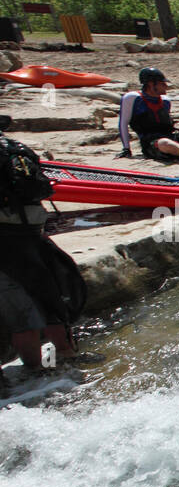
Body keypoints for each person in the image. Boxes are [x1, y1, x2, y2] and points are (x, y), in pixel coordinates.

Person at [0, 115, 89, 378]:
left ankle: (37, 374)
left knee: (19, 310)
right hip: (32, 232)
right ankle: (66, 359)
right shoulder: (17, 148)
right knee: (49, 298)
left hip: (4, 241)